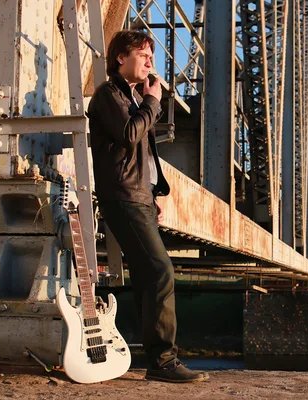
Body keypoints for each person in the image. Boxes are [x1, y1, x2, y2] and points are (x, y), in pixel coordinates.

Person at [87, 30, 208, 383]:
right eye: (143, 54)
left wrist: (151, 193)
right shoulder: (108, 95)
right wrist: (153, 103)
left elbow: (139, 153)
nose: (150, 62)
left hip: (137, 196)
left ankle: (154, 359)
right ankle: (163, 361)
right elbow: (128, 135)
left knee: (146, 278)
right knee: (160, 271)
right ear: (120, 58)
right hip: (121, 197)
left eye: (151, 56)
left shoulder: (132, 98)